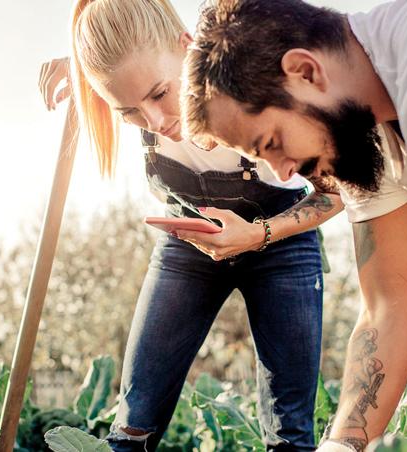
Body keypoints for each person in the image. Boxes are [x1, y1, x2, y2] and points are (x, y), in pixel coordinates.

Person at [181, 0, 407, 450]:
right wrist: (340, 446)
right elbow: (388, 307)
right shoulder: (360, 127)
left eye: (272, 143)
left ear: (305, 71)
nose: (282, 173)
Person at [38, 0, 344, 450]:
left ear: (188, 49)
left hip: (282, 243)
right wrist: (80, 69)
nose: (156, 122)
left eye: (161, 94)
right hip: (189, 249)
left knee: (290, 430)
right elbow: (128, 79)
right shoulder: (137, 85)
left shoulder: (256, 86)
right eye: (131, 113)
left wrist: (256, 234)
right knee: (134, 424)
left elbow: (333, 195)